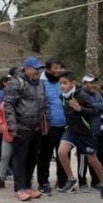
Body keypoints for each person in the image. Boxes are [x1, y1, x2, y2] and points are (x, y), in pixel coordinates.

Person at [55, 72, 103, 199]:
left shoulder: (81, 95)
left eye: (65, 83)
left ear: (72, 83)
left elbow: (93, 112)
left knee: (93, 160)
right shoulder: (61, 96)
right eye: (60, 83)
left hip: (86, 133)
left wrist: (80, 109)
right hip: (71, 131)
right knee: (61, 152)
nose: (62, 86)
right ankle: (71, 178)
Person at [5, 57, 48, 201]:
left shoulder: (40, 84)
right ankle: (19, 188)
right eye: (36, 68)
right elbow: (8, 105)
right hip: (21, 127)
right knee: (20, 159)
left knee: (32, 158)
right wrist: (12, 126)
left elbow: (43, 104)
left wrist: (44, 122)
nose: (38, 71)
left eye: (39, 68)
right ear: (27, 68)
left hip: (36, 128)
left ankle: (28, 186)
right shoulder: (16, 83)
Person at [38, 58, 66, 194]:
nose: (58, 70)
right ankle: (43, 182)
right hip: (48, 126)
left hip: (63, 125)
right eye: (55, 68)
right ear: (48, 69)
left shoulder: (62, 81)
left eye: (60, 67)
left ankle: (62, 181)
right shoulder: (41, 83)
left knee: (63, 154)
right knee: (45, 155)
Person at [77, 74, 103, 191]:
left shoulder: (97, 94)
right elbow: (82, 109)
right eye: (90, 83)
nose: (93, 85)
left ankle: (95, 181)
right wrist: (94, 108)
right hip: (83, 131)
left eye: (94, 83)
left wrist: (91, 107)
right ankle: (82, 183)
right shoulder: (79, 94)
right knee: (83, 158)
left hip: (96, 131)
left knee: (95, 157)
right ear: (84, 84)